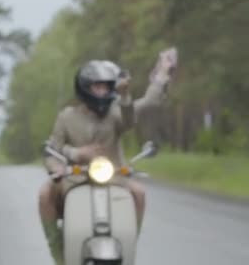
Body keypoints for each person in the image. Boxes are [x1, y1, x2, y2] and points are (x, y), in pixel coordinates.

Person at [38, 56, 175, 264]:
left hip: (114, 176)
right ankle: (58, 254)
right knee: (45, 194)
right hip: (74, 177)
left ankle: (129, 245)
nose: (102, 92)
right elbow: (52, 150)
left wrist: (126, 94)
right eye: (97, 87)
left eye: (106, 87)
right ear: (85, 88)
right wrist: (71, 158)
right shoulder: (67, 117)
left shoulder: (116, 113)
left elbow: (132, 118)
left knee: (139, 192)